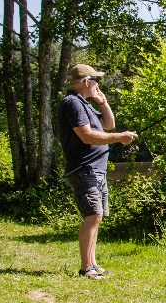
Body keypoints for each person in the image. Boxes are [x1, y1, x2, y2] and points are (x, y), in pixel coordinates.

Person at [58, 64, 137, 279]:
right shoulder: (72, 103)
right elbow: (86, 136)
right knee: (93, 215)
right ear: (86, 82)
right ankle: (86, 268)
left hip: (96, 169)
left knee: (97, 216)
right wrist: (121, 137)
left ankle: (92, 263)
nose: (98, 85)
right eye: (96, 80)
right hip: (85, 168)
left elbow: (108, 124)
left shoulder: (84, 104)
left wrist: (103, 103)